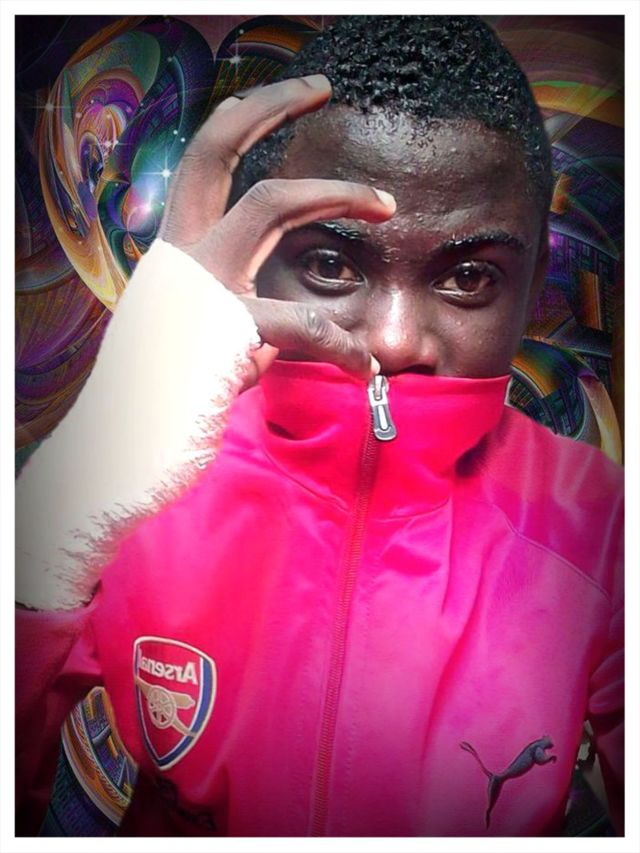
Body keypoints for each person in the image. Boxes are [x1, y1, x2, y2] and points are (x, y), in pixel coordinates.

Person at [15, 15, 623, 837]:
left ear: (532, 280)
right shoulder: (143, 481)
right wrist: (59, 520)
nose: (396, 339)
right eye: (332, 264)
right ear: (256, 254)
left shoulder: (601, 524)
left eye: (471, 276)